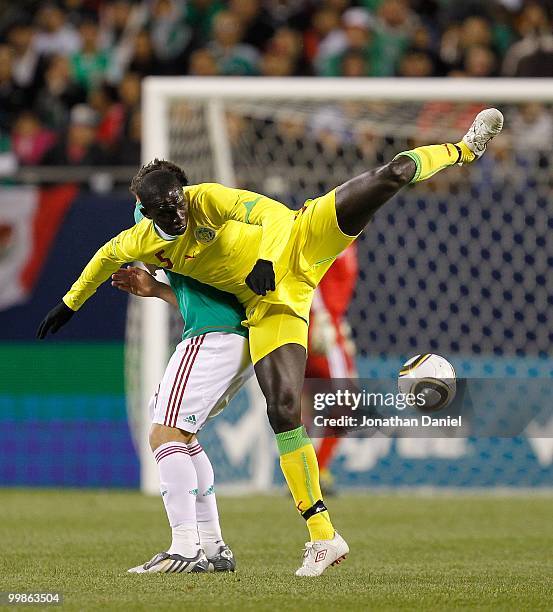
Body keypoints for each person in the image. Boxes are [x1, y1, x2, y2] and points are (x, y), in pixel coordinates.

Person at [37, 109, 504, 576]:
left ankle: (464, 148)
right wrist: (70, 304)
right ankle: (323, 537)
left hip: (303, 239)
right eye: (164, 211)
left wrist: (264, 257)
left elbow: (270, 215)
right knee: (283, 410)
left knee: (391, 175)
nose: (178, 214)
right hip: (272, 307)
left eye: (179, 202)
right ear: (146, 212)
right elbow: (102, 259)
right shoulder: (142, 243)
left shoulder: (207, 200)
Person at [124, 159, 253, 574]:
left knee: (164, 433)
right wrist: (157, 289)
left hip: (215, 336)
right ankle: (213, 549)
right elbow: (194, 291)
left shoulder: (186, 218)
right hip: (227, 334)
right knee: (182, 433)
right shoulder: (190, 221)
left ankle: (184, 547)